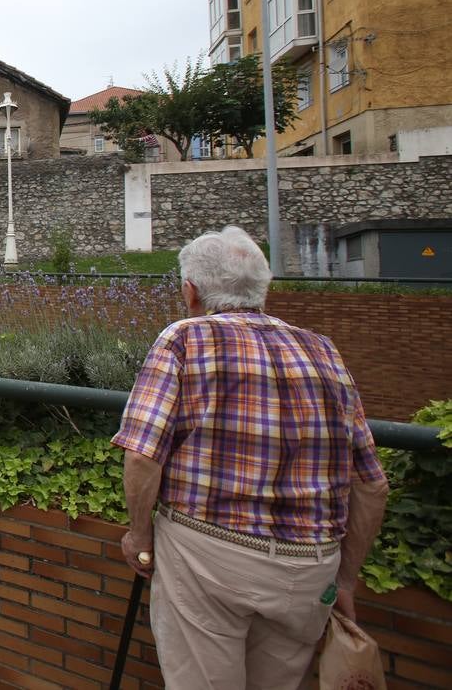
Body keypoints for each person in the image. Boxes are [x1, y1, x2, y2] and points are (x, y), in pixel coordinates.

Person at [113, 226, 389, 690]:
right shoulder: (322, 348)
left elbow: (143, 455)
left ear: (191, 291)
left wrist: (140, 538)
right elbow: (372, 485)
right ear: (266, 288)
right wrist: (343, 581)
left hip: (210, 557)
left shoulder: (185, 338)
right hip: (310, 568)